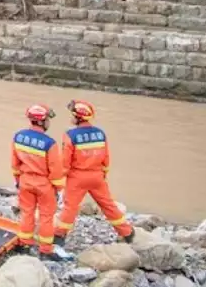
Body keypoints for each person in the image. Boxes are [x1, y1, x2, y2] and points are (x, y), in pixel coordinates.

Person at [55, 100, 135, 244]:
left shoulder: (70, 135)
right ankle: (127, 232)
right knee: (108, 205)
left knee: (70, 208)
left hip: (77, 177)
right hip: (97, 176)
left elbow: (65, 163)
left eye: (72, 114)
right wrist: (102, 174)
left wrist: (57, 180)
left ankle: (59, 236)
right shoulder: (100, 133)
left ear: (78, 117)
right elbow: (106, 158)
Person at [12, 104, 66, 258]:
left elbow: (15, 163)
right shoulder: (50, 143)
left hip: (25, 181)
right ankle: (45, 250)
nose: (49, 122)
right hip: (44, 184)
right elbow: (55, 169)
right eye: (48, 119)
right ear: (42, 121)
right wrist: (59, 189)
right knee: (46, 217)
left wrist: (18, 180)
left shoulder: (18, 137)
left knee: (26, 214)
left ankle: (24, 245)